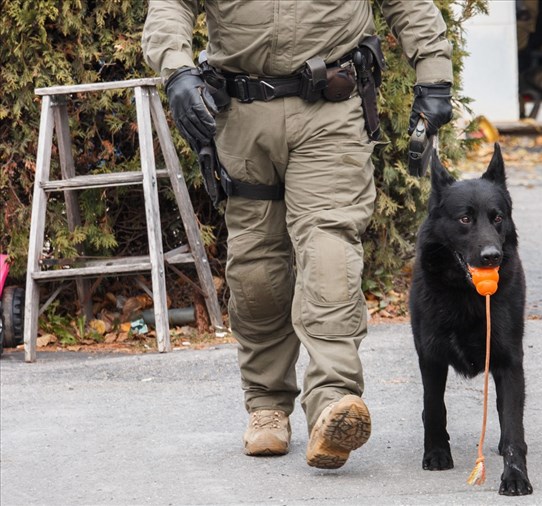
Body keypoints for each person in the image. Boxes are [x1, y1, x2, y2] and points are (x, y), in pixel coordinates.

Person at [142, 0, 453, 469]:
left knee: (329, 251)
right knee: (255, 270)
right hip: (241, 118)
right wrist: (177, 70)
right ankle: (267, 405)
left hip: (330, 111)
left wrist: (433, 76)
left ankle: (333, 402)